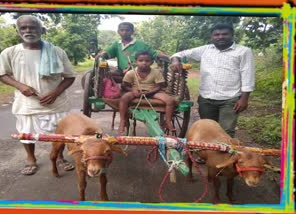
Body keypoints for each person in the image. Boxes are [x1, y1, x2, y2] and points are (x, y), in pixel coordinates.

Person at [0, 15, 76, 175]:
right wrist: (20, 85)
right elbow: (1, 73)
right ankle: (31, 159)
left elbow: (70, 76)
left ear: (42, 30)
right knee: (26, 134)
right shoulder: (10, 52)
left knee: (59, 134)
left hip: (56, 104)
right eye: (23, 28)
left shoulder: (57, 51)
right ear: (17, 31)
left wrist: (55, 92)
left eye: (32, 27)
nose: (28, 30)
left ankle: (59, 157)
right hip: (26, 104)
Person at [170, 23, 255, 164]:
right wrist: (175, 60)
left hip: (230, 98)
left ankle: (226, 161)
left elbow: (248, 74)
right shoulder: (205, 50)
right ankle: (206, 155)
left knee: (227, 131)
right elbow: (179, 54)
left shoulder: (243, 51)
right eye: (217, 34)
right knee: (208, 131)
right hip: (206, 98)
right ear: (211, 37)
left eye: (224, 34)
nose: (220, 37)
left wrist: (244, 98)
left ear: (232, 35)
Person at [118, 50, 176, 134]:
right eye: (141, 61)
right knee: (124, 98)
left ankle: (168, 121)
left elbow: (159, 86)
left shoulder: (156, 72)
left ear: (152, 62)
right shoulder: (131, 72)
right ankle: (122, 121)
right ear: (135, 62)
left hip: (152, 91)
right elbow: (124, 85)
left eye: (147, 61)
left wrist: (148, 93)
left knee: (170, 100)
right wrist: (132, 90)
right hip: (136, 91)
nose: (144, 63)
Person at [96, 22, 170, 82]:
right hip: (122, 71)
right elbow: (108, 52)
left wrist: (167, 57)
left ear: (132, 32)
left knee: (124, 77)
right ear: (118, 32)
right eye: (122, 30)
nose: (124, 32)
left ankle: (128, 83)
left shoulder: (140, 44)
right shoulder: (117, 44)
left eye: (127, 30)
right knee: (107, 75)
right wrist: (101, 55)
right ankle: (125, 83)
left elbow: (154, 53)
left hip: (139, 72)